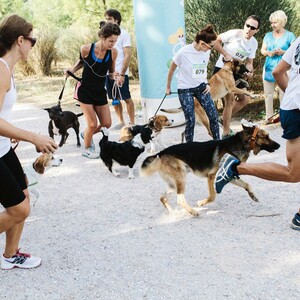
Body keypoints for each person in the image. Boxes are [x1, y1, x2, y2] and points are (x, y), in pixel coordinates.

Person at [215, 36, 300, 230]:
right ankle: (235, 167)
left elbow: (278, 71)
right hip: (296, 111)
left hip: (292, 109)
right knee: (294, 173)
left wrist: (292, 99)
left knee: (295, 172)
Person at [0, 14, 58, 269]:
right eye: (32, 40)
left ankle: (10, 255)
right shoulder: (0, 69)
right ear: (20, 40)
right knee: (19, 209)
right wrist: (32, 136)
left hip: (2, 149)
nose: (33, 46)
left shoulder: (8, 69)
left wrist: (12, 131)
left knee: (24, 197)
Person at [66, 23, 121, 159]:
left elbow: (111, 72)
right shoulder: (86, 49)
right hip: (85, 90)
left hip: (99, 91)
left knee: (107, 124)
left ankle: (86, 134)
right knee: (92, 124)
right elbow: (81, 62)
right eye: (110, 41)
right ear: (102, 37)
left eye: (115, 41)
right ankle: (87, 148)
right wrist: (71, 70)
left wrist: (116, 76)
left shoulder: (113, 52)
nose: (113, 44)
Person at [166, 24, 220, 143]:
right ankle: (189, 148)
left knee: (214, 116)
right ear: (202, 43)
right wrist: (168, 87)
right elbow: (172, 69)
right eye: (210, 46)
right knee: (190, 120)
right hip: (185, 89)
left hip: (201, 87)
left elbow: (203, 69)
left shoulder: (206, 52)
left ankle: (218, 144)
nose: (211, 49)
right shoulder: (183, 52)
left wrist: (206, 83)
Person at [214, 15, 260, 138]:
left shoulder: (254, 43)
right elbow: (215, 42)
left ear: (257, 30)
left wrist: (249, 72)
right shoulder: (234, 33)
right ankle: (226, 133)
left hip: (236, 73)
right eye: (247, 25)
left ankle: (222, 119)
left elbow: (249, 62)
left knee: (245, 98)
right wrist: (226, 54)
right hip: (223, 69)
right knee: (230, 100)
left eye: (252, 28)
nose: (249, 29)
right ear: (244, 25)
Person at [261, 10, 295, 121]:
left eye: (275, 22)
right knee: (268, 94)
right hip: (269, 67)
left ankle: (284, 117)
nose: (273, 25)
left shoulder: (290, 35)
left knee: (284, 93)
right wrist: (268, 53)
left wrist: (284, 52)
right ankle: (269, 118)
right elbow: (263, 50)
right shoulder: (267, 36)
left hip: (285, 68)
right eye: (272, 22)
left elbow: (295, 51)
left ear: (281, 22)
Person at [104, 8, 135, 130]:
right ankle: (121, 121)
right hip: (108, 72)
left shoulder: (124, 34)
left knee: (126, 97)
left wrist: (122, 74)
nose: (107, 22)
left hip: (120, 72)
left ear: (116, 20)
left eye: (109, 19)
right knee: (114, 98)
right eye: (106, 19)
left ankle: (132, 123)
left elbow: (127, 55)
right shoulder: (106, 34)